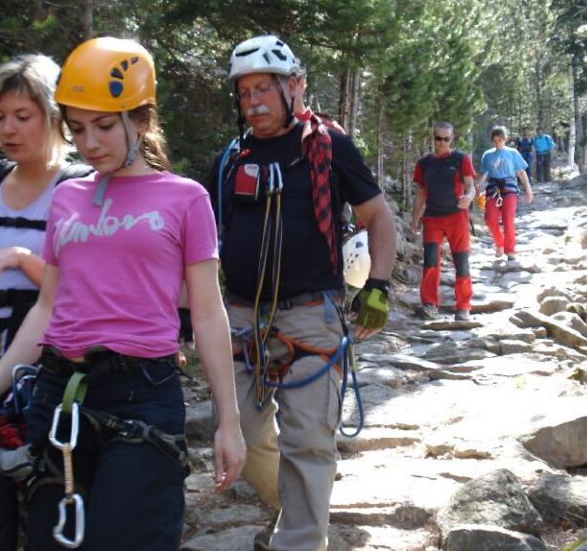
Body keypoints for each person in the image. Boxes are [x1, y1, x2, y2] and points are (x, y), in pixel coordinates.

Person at [0, 37, 246, 550]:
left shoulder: (185, 198)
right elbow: (48, 308)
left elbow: (210, 313)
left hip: (143, 394)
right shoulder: (69, 197)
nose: (90, 143)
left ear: (142, 120)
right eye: (78, 128)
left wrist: (229, 423)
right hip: (58, 392)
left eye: (104, 126)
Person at [212, 34, 396, 551]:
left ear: (295, 86)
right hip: (241, 319)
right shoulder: (230, 159)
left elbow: (377, 217)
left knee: (310, 441)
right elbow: (203, 243)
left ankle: (298, 539)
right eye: (244, 92)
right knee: (245, 433)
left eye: (264, 89)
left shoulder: (328, 146)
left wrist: (377, 287)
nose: (253, 101)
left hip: (314, 314)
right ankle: (295, 508)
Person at [0, 53, 83, 551]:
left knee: (54, 512)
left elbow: (82, 288)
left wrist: (21, 257)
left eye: (22, 116)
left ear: (52, 117)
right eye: (0, 116)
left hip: (55, 375)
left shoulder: (80, 190)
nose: (9, 128)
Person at [410, 122, 477, 322]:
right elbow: (420, 194)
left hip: (457, 217)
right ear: (433, 138)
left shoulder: (460, 159)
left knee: (461, 262)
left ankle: (463, 306)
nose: (441, 143)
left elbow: (470, 186)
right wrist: (414, 221)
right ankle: (430, 305)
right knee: (430, 261)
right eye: (438, 138)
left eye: (446, 139)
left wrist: (469, 197)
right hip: (432, 217)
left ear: (452, 139)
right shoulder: (424, 163)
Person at [480, 125, 534, 261]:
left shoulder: (513, 153)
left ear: (505, 139)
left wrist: (528, 189)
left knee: (507, 220)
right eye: (495, 140)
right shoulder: (487, 155)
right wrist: (478, 186)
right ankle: (499, 243)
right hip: (493, 189)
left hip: (509, 188)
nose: (497, 143)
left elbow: (521, 172)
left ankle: (510, 250)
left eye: (500, 140)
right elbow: (485, 173)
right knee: (490, 219)